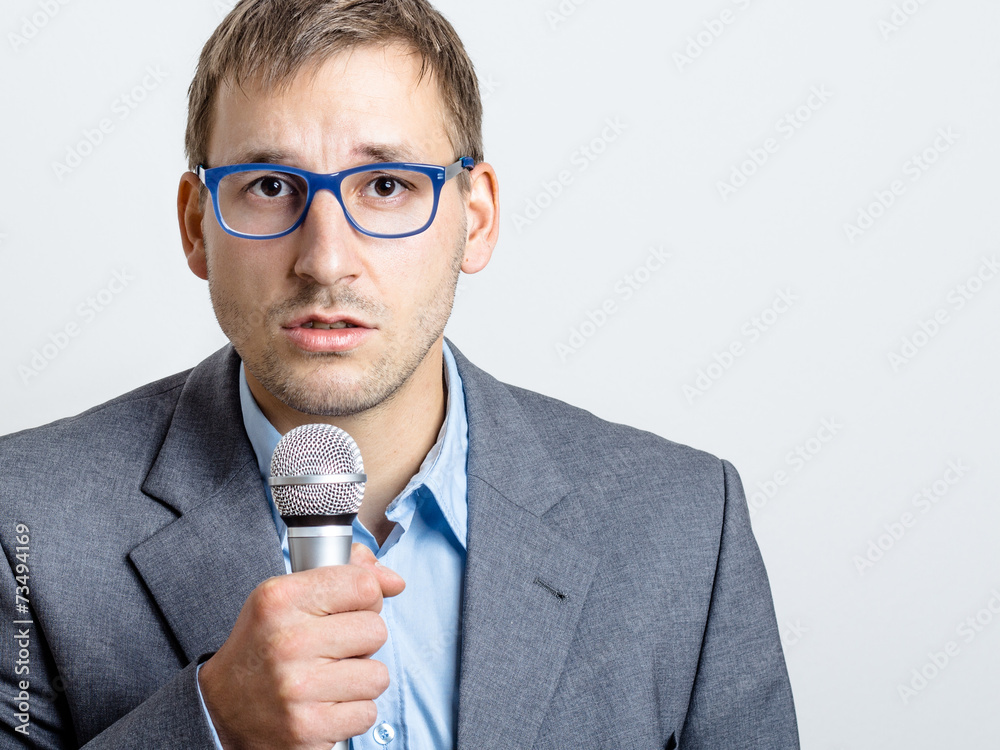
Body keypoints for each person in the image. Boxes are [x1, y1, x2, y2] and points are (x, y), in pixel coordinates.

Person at [0, 0, 799, 747]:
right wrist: (212, 724)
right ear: (196, 225)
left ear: (475, 219)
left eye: (386, 186)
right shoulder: (24, 523)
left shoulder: (686, 527)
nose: (326, 261)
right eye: (270, 187)